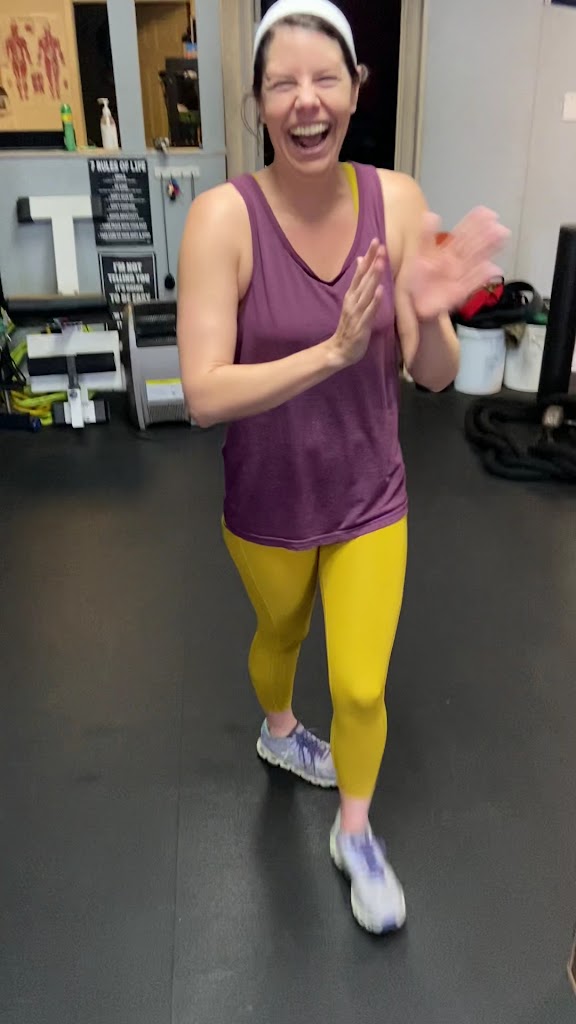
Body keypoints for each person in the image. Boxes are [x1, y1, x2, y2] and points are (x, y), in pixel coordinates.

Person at [177, 0, 508, 934]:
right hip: (268, 500)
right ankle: (280, 730)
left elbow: (433, 377)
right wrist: (330, 353)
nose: (306, 100)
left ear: (357, 90)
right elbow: (202, 393)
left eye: (326, 78)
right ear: (258, 102)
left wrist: (431, 312)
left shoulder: (394, 201)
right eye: (283, 83)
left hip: (371, 494)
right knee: (280, 635)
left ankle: (354, 831)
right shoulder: (221, 219)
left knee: (361, 685)